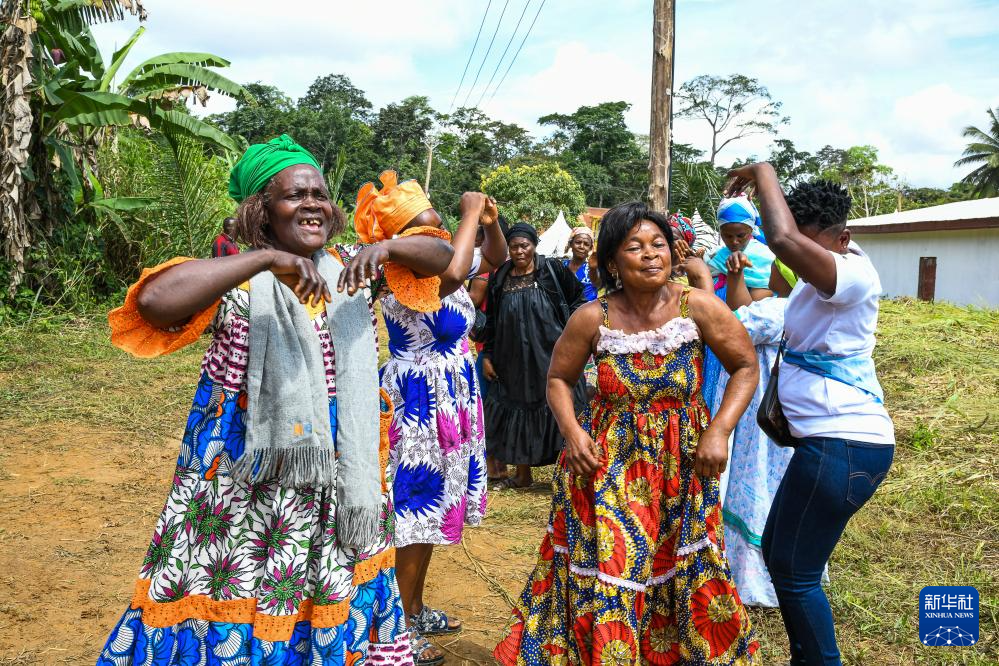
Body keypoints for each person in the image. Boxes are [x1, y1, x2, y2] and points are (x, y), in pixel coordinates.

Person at [98, 135, 454, 665]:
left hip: (335, 478)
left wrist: (389, 247)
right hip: (241, 483)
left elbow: (444, 259)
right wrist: (265, 261)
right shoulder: (237, 281)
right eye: (294, 195)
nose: (312, 202)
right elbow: (153, 303)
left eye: (319, 193)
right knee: (228, 589)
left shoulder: (353, 270)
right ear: (262, 210)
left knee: (323, 595)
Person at [495, 201, 761, 665]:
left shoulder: (696, 306)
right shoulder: (592, 317)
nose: (650, 254)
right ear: (613, 261)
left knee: (679, 561)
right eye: (635, 247)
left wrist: (719, 430)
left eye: (658, 244)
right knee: (614, 563)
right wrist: (573, 434)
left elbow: (745, 366)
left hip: (683, 462)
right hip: (606, 462)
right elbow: (558, 379)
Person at [726, 163, 895, 665]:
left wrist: (763, 171)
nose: (800, 251)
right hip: (824, 445)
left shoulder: (852, 276)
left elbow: (778, 238)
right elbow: (777, 273)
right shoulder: (817, 279)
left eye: (810, 242)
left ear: (843, 237)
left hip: (842, 443)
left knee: (796, 574)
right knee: (781, 557)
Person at [354, 171, 507, 665]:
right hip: (418, 399)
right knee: (413, 513)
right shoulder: (403, 273)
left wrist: (489, 223)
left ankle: (414, 607)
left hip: (454, 397)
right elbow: (457, 271)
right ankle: (394, 623)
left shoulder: (437, 259)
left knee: (436, 508)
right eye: (428, 230)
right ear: (398, 239)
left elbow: (496, 262)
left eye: (442, 228)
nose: (440, 238)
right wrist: (467, 215)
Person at [711, 260, 796, 608]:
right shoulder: (807, 307)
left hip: (759, 412)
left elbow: (728, 325)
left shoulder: (778, 309)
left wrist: (701, 281)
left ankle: (752, 581)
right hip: (788, 411)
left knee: (755, 482)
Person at [480, 222, 586, 490]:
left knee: (561, 407)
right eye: (514, 246)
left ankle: (567, 474)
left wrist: (574, 339)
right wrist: (489, 355)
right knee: (517, 406)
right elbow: (491, 319)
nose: (519, 251)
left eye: (524, 245)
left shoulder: (552, 270)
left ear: (534, 246)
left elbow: (579, 300)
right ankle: (522, 474)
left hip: (551, 355)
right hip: (511, 356)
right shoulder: (501, 276)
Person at [562, 226, 600, 301]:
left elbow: (598, 284)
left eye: (586, 244)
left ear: (590, 248)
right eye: (578, 242)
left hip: (586, 311)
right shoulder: (562, 266)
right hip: (563, 310)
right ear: (571, 244)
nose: (581, 246)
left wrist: (593, 269)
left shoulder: (593, 267)